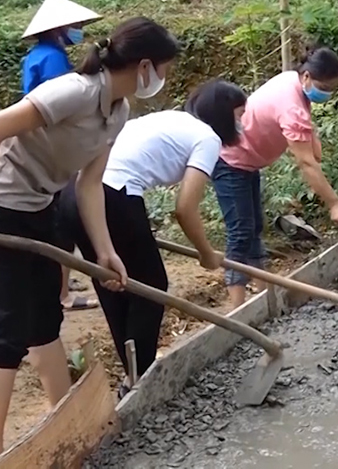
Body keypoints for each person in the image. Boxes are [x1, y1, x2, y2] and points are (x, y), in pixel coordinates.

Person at [0, 17, 178, 468]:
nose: (164, 78)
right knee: (5, 337)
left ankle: (67, 419)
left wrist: (105, 251)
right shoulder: (73, 92)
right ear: (143, 66)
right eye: (164, 68)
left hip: (41, 207)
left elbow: (90, 185)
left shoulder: (117, 111)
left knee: (46, 322)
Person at [58, 80, 246, 392]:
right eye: (240, 115)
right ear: (225, 114)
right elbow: (185, 209)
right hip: (111, 195)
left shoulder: (173, 120)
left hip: (73, 195)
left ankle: (132, 377)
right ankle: (141, 379)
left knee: (114, 282)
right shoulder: (207, 138)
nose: (242, 123)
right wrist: (206, 253)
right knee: (151, 285)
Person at [213, 48, 338, 309]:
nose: (327, 93)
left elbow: (308, 138)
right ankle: (237, 311)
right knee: (240, 232)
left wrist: (313, 140)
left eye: (333, 88)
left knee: (253, 227)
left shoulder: (292, 80)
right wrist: (334, 203)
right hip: (230, 161)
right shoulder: (291, 103)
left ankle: (264, 296)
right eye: (324, 87)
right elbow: (306, 162)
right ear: (307, 76)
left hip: (246, 162)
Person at [20, 0, 104, 314]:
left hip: (38, 139)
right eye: (76, 26)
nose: (79, 31)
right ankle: (62, 294)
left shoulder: (37, 55)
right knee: (59, 222)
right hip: (52, 143)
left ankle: (60, 282)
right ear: (60, 29)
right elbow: (63, 103)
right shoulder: (53, 59)